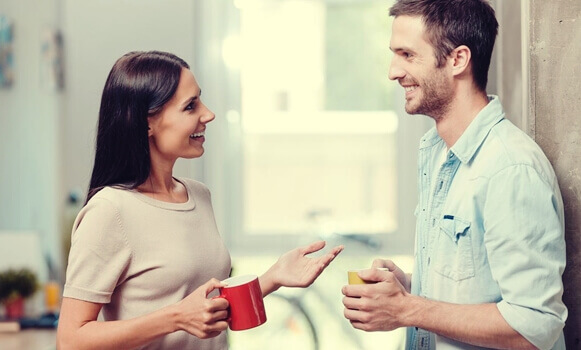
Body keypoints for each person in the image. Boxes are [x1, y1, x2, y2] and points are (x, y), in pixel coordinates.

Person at [57, 50, 343, 350]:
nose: (208, 114)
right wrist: (176, 317)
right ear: (147, 123)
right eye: (191, 106)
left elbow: (206, 309)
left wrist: (273, 277)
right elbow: (71, 340)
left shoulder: (198, 196)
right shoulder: (110, 210)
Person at [341, 0, 567, 349]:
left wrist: (408, 309)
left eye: (407, 55)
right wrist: (410, 287)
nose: (393, 72)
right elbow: (476, 287)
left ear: (458, 60)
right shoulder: (438, 152)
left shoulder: (510, 169)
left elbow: (534, 327)